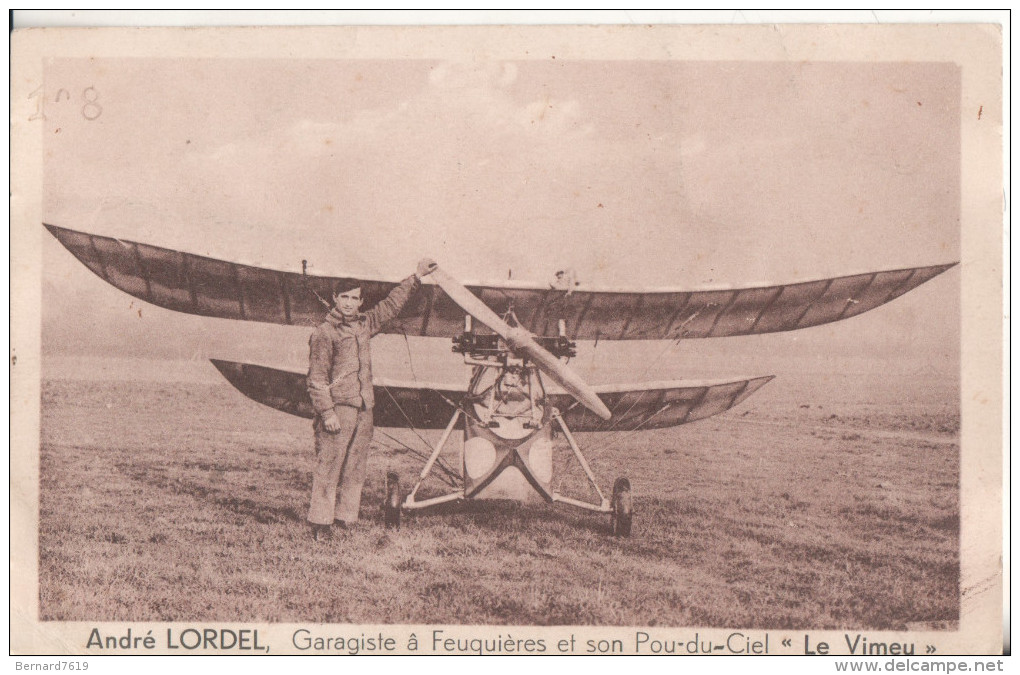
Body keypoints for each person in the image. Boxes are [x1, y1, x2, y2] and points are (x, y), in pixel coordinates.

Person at [306, 258, 436, 540]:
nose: (350, 303)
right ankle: (320, 524)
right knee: (329, 464)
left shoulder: (364, 325)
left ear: (361, 301)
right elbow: (316, 378)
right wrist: (327, 413)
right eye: (344, 297)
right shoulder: (324, 333)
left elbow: (390, 306)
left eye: (355, 298)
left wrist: (416, 276)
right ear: (334, 299)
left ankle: (345, 518)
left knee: (355, 465)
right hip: (338, 409)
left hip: (364, 408)